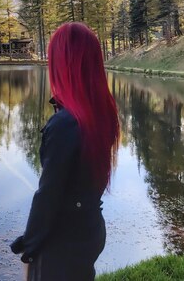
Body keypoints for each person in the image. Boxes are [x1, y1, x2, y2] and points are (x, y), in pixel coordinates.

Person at [10, 22, 120, 281]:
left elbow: (49, 194)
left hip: (62, 243)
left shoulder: (66, 124)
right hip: (90, 227)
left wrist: (30, 248)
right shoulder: (100, 114)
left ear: (63, 64)